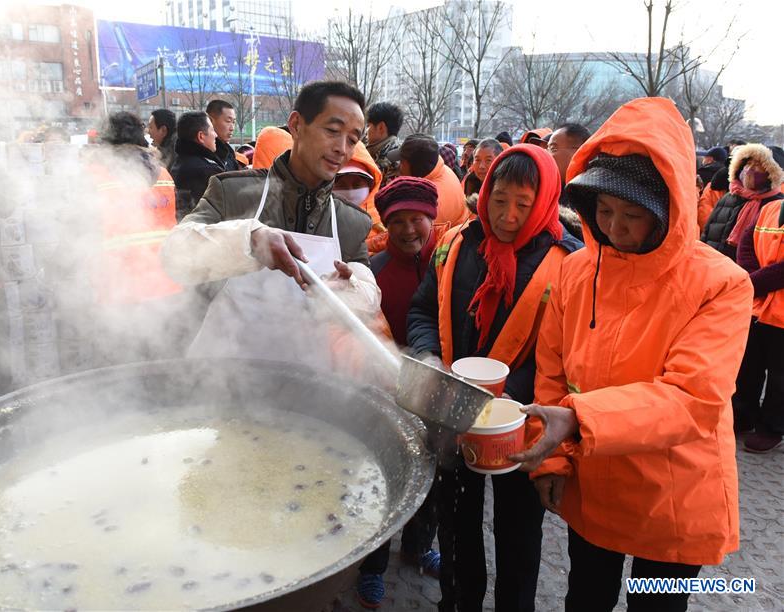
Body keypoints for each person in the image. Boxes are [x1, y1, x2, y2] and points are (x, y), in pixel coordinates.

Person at [508, 97, 754, 612]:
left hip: (673, 493)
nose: (615, 229)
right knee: (587, 596)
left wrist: (573, 421)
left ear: (670, 210)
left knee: (657, 604)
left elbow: (693, 398)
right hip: (595, 484)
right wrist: (551, 458)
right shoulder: (577, 270)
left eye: (633, 216)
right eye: (604, 211)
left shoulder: (721, 284)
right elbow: (552, 372)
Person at [407, 144, 582, 612]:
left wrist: (509, 398)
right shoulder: (457, 243)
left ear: (545, 201)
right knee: (457, 522)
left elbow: (569, 355)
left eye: (524, 205)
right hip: (452, 412)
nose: (507, 216)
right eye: (499, 199)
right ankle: (459, 601)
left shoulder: (569, 263)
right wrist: (428, 357)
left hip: (521, 420)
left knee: (518, 531)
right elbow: (424, 309)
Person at [161, 81, 380, 369]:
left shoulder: (350, 222)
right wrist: (249, 240)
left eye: (353, 139)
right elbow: (175, 256)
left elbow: (368, 298)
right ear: (296, 124)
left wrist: (348, 292)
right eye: (332, 131)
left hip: (305, 386)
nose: (342, 148)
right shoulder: (233, 193)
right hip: (219, 379)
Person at [355, 177, 442, 608]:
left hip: (437, 388)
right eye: (399, 222)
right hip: (388, 389)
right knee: (385, 480)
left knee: (434, 476)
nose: (409, 230)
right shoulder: (374, 269)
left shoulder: (446, 262)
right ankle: (371, 567)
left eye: (418, 219)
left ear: (433, 219)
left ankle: (418, 546)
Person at [85, 111, 181, 362]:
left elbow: (77, 233)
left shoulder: (93, 176)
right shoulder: (163, 175)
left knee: (122, 372)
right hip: (166, 288)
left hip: (119, 291)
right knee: (163, 364)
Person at [734, 180, 784, 452]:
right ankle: (743, 414)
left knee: (780, 377)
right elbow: (747, 243)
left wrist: (753, 282)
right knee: (748, 366)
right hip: (758, 307)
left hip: (776, 310)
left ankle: (772, 426)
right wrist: (752, 277)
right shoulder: (772, 208)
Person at [701, 144, 784, 260]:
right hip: (714, 265)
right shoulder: (729, 197)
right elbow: (708, 233)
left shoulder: (775, 204)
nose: (749, 169)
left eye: (757, 166)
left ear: (771, 173)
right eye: (748, 163)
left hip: (747, 273)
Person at [389, 133, 470, 229]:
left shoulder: (430, 202)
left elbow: (413, 238)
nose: (399, 167)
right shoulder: (442, 170)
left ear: (415, 167)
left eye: (402, 162)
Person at [170, 111, 226, 220]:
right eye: (212, 130)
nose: (215, 135)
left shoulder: (176, 163)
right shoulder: (208, 170)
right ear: (201, 136)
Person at [365, 101, 404, 185]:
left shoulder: (387, 158)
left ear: (381, 128)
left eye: (368, 126)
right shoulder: (398, 151)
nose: (366, 132)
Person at [206, 99, 240, 172]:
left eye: (233, 122)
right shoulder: (205, 155)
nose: (232, 128)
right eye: (228, 121)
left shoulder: (229, 152)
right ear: (210, 121)